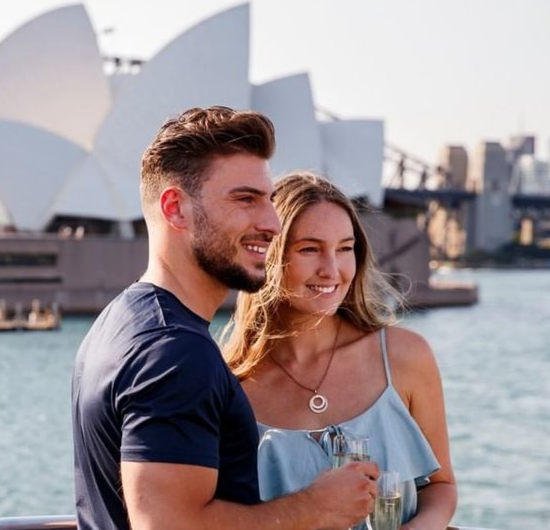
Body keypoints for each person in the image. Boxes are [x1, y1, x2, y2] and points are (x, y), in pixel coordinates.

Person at [72, 107, 379, 530]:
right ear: (176, 208)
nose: (271, 223)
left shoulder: (122, 320)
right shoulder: (176, 354)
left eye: (269, 200)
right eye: (245, 199)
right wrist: (315, 508)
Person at [222, 172, 458, 529]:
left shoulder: (405, 357)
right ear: (269, 255)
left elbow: (441, 487)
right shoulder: (230, 388)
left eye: (345, 248)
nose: (332, 270)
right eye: (309, 248)